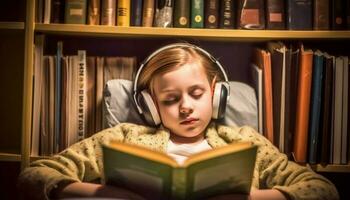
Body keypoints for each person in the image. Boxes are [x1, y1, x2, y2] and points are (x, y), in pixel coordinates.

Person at [18, 43, 339, 200]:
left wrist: (251, 199)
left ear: (215, 95)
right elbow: (32, 177)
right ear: (151, 105)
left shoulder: (244, 139)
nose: (185, 107)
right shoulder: (124, 135)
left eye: (196, 93)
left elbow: (323, 190)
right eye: (170, 99)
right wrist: (104, 194)